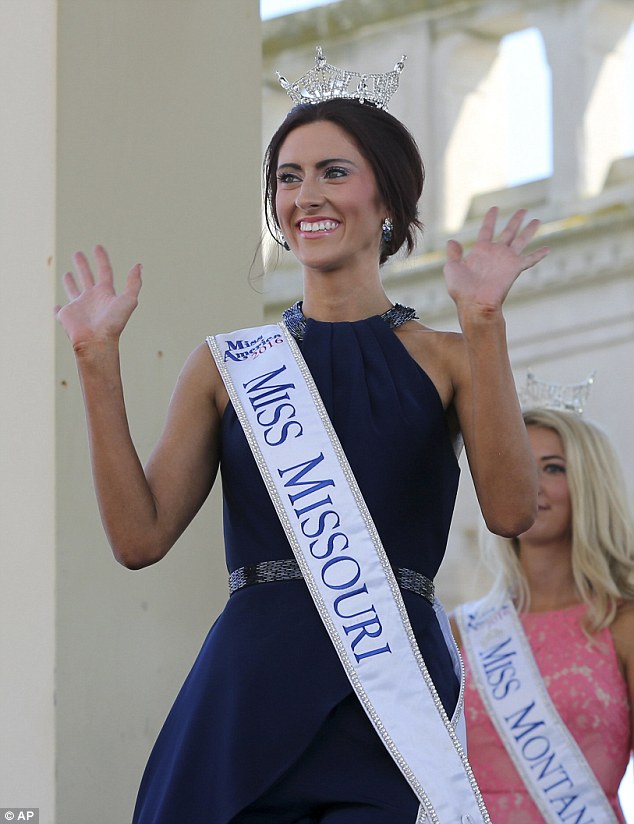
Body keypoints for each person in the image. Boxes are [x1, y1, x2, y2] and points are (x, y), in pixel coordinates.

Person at [56, 48, 550, 824]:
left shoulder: (449, 357)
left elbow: (514, 511)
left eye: (333, 172)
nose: (306, 196)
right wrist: (95, 363)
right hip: (246, 692)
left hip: (388, 698)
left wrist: (486, 323)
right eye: (288, 177)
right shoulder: (229, 366)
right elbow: (137, 537)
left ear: (387, 196)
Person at [452, 406, 634, 823]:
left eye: (552, 468)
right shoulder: (459, 632)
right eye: (517, 464)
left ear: (589, 483)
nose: (530, 482)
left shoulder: (622, 624)